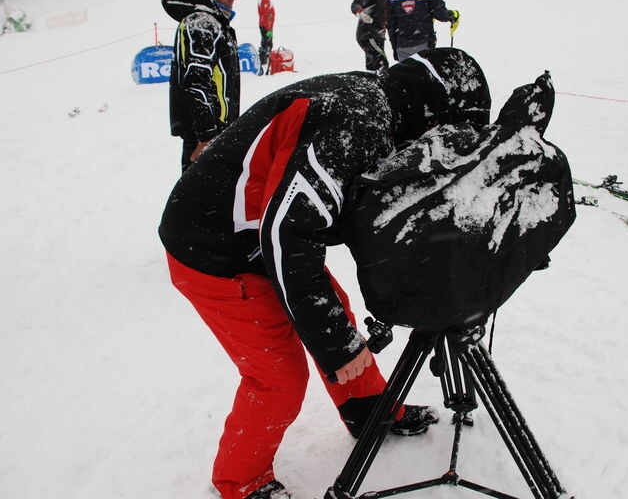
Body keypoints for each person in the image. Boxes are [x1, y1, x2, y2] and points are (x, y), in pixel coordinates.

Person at [158, 47, 492, 499]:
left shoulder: (382, 106)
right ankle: (241, 482)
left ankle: (367, 410)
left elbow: (335, 213)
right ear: (431, 112)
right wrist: (336, 346)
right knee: (278, 377)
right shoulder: (357, 121)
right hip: (212, 248)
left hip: (261, 232)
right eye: (446, 134)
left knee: (335, 314)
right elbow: (288, 234)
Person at [162, 0, 244, 173]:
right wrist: (206, 136)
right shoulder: (202, 23)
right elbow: (196, 81)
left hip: (219, 133)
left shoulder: (216, 23)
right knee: (202, 193)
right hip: (206, 136)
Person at [386, 0, 459, 61]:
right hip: (424, 45)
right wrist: (453, 15)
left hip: (402, 47)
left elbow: (391, 25)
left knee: (405, 71)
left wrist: (394, 48)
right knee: (424, 70)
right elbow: (441, 14)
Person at [351, 0, 397, 71]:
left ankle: (371, 79)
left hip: (379, 35)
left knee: (372, 67)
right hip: (369, 33)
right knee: (382, 64)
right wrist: (361, 13)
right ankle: (383, 81)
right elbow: (356, 3)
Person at [258, 0, 275, 72]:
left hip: (265, 25)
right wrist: (269, 29)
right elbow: (266, 16)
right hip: (266, 26)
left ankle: (264, 59)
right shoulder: (265, 0)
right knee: (267, 43)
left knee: (265, 42)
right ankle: (264, 60)